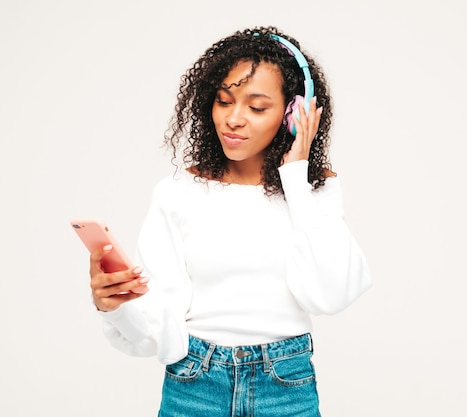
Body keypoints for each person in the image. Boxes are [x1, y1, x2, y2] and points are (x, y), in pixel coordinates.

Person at [88, 25, 372, 416]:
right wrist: (117, 305)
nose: (233, 119)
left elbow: (333, 293)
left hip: (285, 386)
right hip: (195, 385)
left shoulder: (312, 193)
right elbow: (160, 330)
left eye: (256, 107)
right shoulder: (177, 193)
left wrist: (296, 177)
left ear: (294, 114)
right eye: (223, 101)